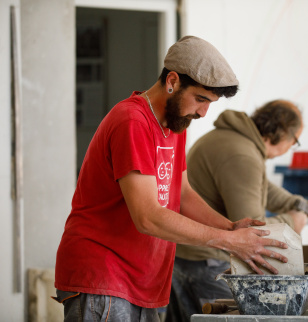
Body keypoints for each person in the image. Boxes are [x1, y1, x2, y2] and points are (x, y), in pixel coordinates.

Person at [53, 35, 290, 321]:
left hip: (142, 279)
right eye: (201, 99)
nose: (204, 112)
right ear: (173, 81)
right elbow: (148, 217)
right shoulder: (133, 121)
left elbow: (183, 194)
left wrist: (230, 228)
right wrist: (227, 242)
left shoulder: (175, 123)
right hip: (103, 274)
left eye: (210, 102)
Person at [165, 99, 308, 322]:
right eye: (294, 142)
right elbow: (254, 230)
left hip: (186, 258)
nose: (291, 147)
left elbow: (263, 188)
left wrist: (302, 205)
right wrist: (293, 222)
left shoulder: (232, 139)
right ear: (282, 134)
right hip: (208, 266)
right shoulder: (242, 155)